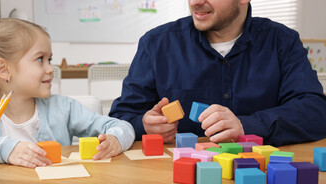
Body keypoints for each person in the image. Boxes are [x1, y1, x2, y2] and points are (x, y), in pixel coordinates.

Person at [109, 0, 326, 146]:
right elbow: (121, 117)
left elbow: (316, 113)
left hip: (262, 179)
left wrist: (246, 126)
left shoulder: (282, 42)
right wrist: (145, 125)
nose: (195, 2)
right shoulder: (156, 44)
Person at [0, 18, 135, 168]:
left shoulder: (64, 108)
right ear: (3, 69)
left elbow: (123, 126)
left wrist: (116, 140)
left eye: (50, 60)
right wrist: (8, 150)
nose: (50, 69)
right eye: (40, 59)